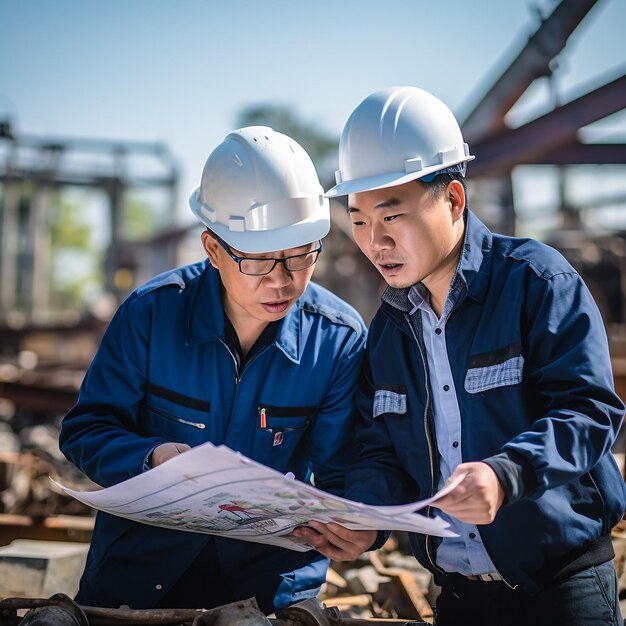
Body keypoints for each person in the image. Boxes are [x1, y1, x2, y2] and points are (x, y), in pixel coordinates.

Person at [293, 87, 626, 625]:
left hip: (563, 590)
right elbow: (381, 451)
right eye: (357, 221)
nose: (374, 242)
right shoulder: (389, 331)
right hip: (459, 599)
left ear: (453, 199)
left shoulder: (536, 282)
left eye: (391, 216)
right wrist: (368, 521)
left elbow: (589, 413)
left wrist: (505, 475)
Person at [59, 126, 366, 614]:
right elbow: (85, 431)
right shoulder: (151, 315)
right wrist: (152, 457)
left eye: (302, 256)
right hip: (136, 586)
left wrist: (358, 524)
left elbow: (342, 471)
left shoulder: (337, 341)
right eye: (261, 261)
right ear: (213, 248)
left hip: (269, 593)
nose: (284, 281)